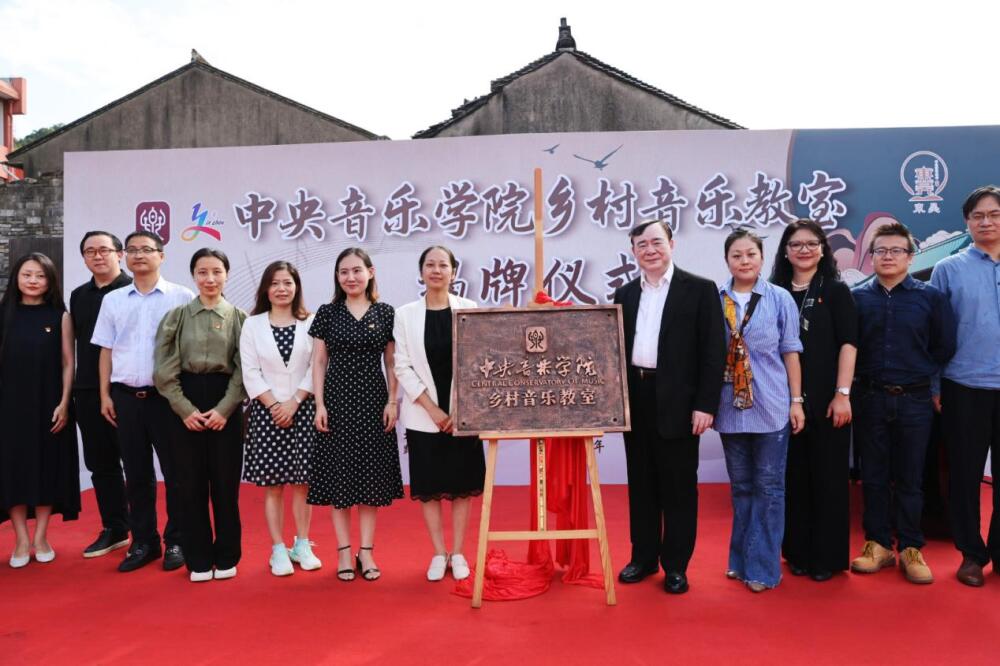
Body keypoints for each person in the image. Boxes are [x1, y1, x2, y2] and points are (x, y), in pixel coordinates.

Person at [613, 220, 726, 594]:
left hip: (680, 401)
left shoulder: (699, 289)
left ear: (672, 244)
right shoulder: (625, 293)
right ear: (633, 251)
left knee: (679, 487)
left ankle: (676, 565)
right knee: (641, 483)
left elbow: (713, 351)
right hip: (636, 396)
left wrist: (705, 404)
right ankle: (643, 557)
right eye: (641, 244)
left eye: (656, 242)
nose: (650, 250)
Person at [851, 222, 955, 584]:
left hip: (915, 399)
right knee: (873, 476)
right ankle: (878, 544)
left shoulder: (931, 298)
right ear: (871, 257)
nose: (888, 257)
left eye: (896, 250)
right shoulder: (857, 298)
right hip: (869, 397)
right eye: (881, 251)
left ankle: (911, 546)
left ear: (911, 257)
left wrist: (925, 379)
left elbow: (944, 346)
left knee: (911, 477)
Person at [91, 230, 194, 573]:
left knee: (176, 473)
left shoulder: (182, 297)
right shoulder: (113, 300)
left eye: (146, 249)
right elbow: (106, 350)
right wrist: (104, 395)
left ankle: (177, 540)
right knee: (136, 475)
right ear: (124, 256)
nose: (139, 255)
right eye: (132, 250)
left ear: (161, 256)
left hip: (167, 399)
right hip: (125, 398)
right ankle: (144, 542)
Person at [715, 228, 805, 593]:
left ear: (762, 258)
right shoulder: (715, 300)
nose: (744, 261)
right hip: (729, 407)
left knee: (769, 488)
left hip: (771, 405)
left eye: (751, 254)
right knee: (742, 488)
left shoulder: (779, 298)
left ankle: (763, 568)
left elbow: (791, 351)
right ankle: (739, 561)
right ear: (727, 260)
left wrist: (796, 401)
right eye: (737, 255)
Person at [770, 220, 857, 581]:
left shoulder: (836, 291)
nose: (803, 250)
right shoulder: (773, 292)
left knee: (829, 478)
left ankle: (827, 558)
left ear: (823, 249)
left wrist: (842, 394)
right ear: (785, 251)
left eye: (811, 243)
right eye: (795, 244)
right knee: (793, 478)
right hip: (780, 400)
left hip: (827, 398)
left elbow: (849, 344)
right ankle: (797, 552)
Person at [309, 247, 402, 582]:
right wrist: (320, 405)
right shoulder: (327, 313)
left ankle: (367, 551)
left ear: (370, 272)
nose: (351, 277)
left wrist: (392, 401)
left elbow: (391, 361)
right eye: (344, 272)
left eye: (357, 271)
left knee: (370, 480)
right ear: (337, 277)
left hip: (373, 403)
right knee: (340, 479)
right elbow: (319, 361)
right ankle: (343, 552)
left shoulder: (385, 312)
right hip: (336, 404)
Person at [154, 248, 246, 582]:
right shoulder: (177, 316)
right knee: (189, 485)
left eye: (217, 272)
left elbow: (244, 369)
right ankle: (198, 558)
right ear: (193, 275)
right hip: (184, 403)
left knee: (225, 485)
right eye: (202, 272)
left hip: (226, 402)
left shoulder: (239, 317)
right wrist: (185, 410)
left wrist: (225, 409)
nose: (210, 279)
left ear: (227, 275)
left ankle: (227, 555)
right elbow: (163, 369)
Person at [394, 246, 484, 582]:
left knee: (462, 485)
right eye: (429, 265)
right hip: (423, 415)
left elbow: (478, 362)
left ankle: (458, 552)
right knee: (429, 486)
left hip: (463, 415)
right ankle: (438, 552)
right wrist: (433, 410)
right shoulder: (405, 315)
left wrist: (459, 407)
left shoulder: (469, 309)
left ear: (453, 272)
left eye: (442, 265)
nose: (436, 270)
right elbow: (401, 366)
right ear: (421, 272)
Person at [931, 185, 1000, 587]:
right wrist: (935, 383)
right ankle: (971, 554)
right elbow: (936, 333)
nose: (986, 222)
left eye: (994, 214)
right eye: (978, 216)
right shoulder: (949, 269)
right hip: (963, 384)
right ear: (967, 223)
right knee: (964, 475)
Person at [240, 261, 320, 577]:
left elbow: (317, 366)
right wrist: (275, 405)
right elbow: (249, 371)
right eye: (275, 283)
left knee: (302, 483)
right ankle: (277, 548)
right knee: (273, 486)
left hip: (303, 409)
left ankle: (302, 544)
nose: (281, 289)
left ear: (296, 287)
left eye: (287, 282)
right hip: (266, 412)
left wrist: (294, 402)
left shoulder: (310, 321)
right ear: (266, 289)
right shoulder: (252, 325)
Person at [0, 253, 79, 568]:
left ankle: (41, 537)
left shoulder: (60, 316)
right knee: (13, 470)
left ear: (50, 280)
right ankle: (21, 539)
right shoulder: (4, 314)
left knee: (47, 468)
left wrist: (64, 402)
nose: (33, 281)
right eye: (27, 274)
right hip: (9, 407)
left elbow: (68, 363)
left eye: (40, 275)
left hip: (49, 404)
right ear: (16, 278)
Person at [70, 231, 133, 558]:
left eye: (104, 250)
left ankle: (148, 533)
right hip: (87, 391)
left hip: (126, 388)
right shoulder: (78, 296)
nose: (98, 256)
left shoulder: (133, 290)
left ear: (119, 254)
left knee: (136, 464)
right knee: (101, 464)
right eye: (90, 251)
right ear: (83, 258)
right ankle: (115, 528)